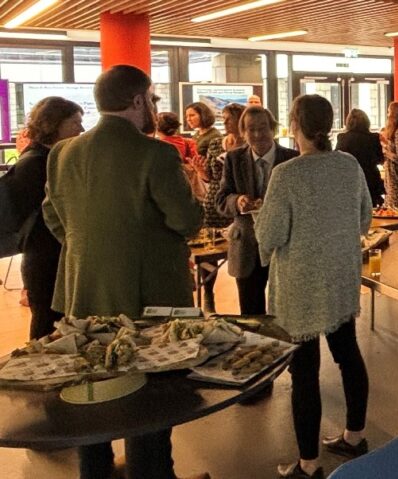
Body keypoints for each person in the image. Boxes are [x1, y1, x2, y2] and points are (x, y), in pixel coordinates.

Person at [42, 65, 205, 479]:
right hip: (148, 301)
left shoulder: (63, 153)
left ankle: (95, 473)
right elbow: (186, 220)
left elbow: (54, 217)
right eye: (151, 99)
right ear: (137, 100)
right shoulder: (156, 154)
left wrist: (93, 251)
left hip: (82, 295)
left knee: (91, 395)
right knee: (149, 403)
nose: (153, 106)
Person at [257, 94, 372, 479]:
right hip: (340, 275)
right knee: (348, 354)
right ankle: (355, 436)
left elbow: (270, 233)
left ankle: (308, 466)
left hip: (300, 286)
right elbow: (365, 217)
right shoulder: (349, 164)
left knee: (304, 374)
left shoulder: (287, 175)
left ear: (295, 125)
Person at [7, 97, 83, 339]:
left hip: (43, 254)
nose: (81, 130)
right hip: (46, 256)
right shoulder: (39, 164)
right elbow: (53, 213)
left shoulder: (37, 158)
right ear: (54, 124)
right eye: (75, 123)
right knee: (47, 326)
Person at [216, 106, 298, 315]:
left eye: (263, 128)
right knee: (251, 316)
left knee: (286, 314)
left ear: (273, 129)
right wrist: (237, 201)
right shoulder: (234, 159)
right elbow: (221, 200)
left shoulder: (292, 159)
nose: (257, 134)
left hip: (282, 248)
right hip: (246, 248)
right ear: (242, 132)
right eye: (251, 129)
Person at [337, 109, 385, 207]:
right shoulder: (374, 138)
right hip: (371, 179)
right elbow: (380, 159)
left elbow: (338, 159)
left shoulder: (343, 138)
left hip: (351, 178)